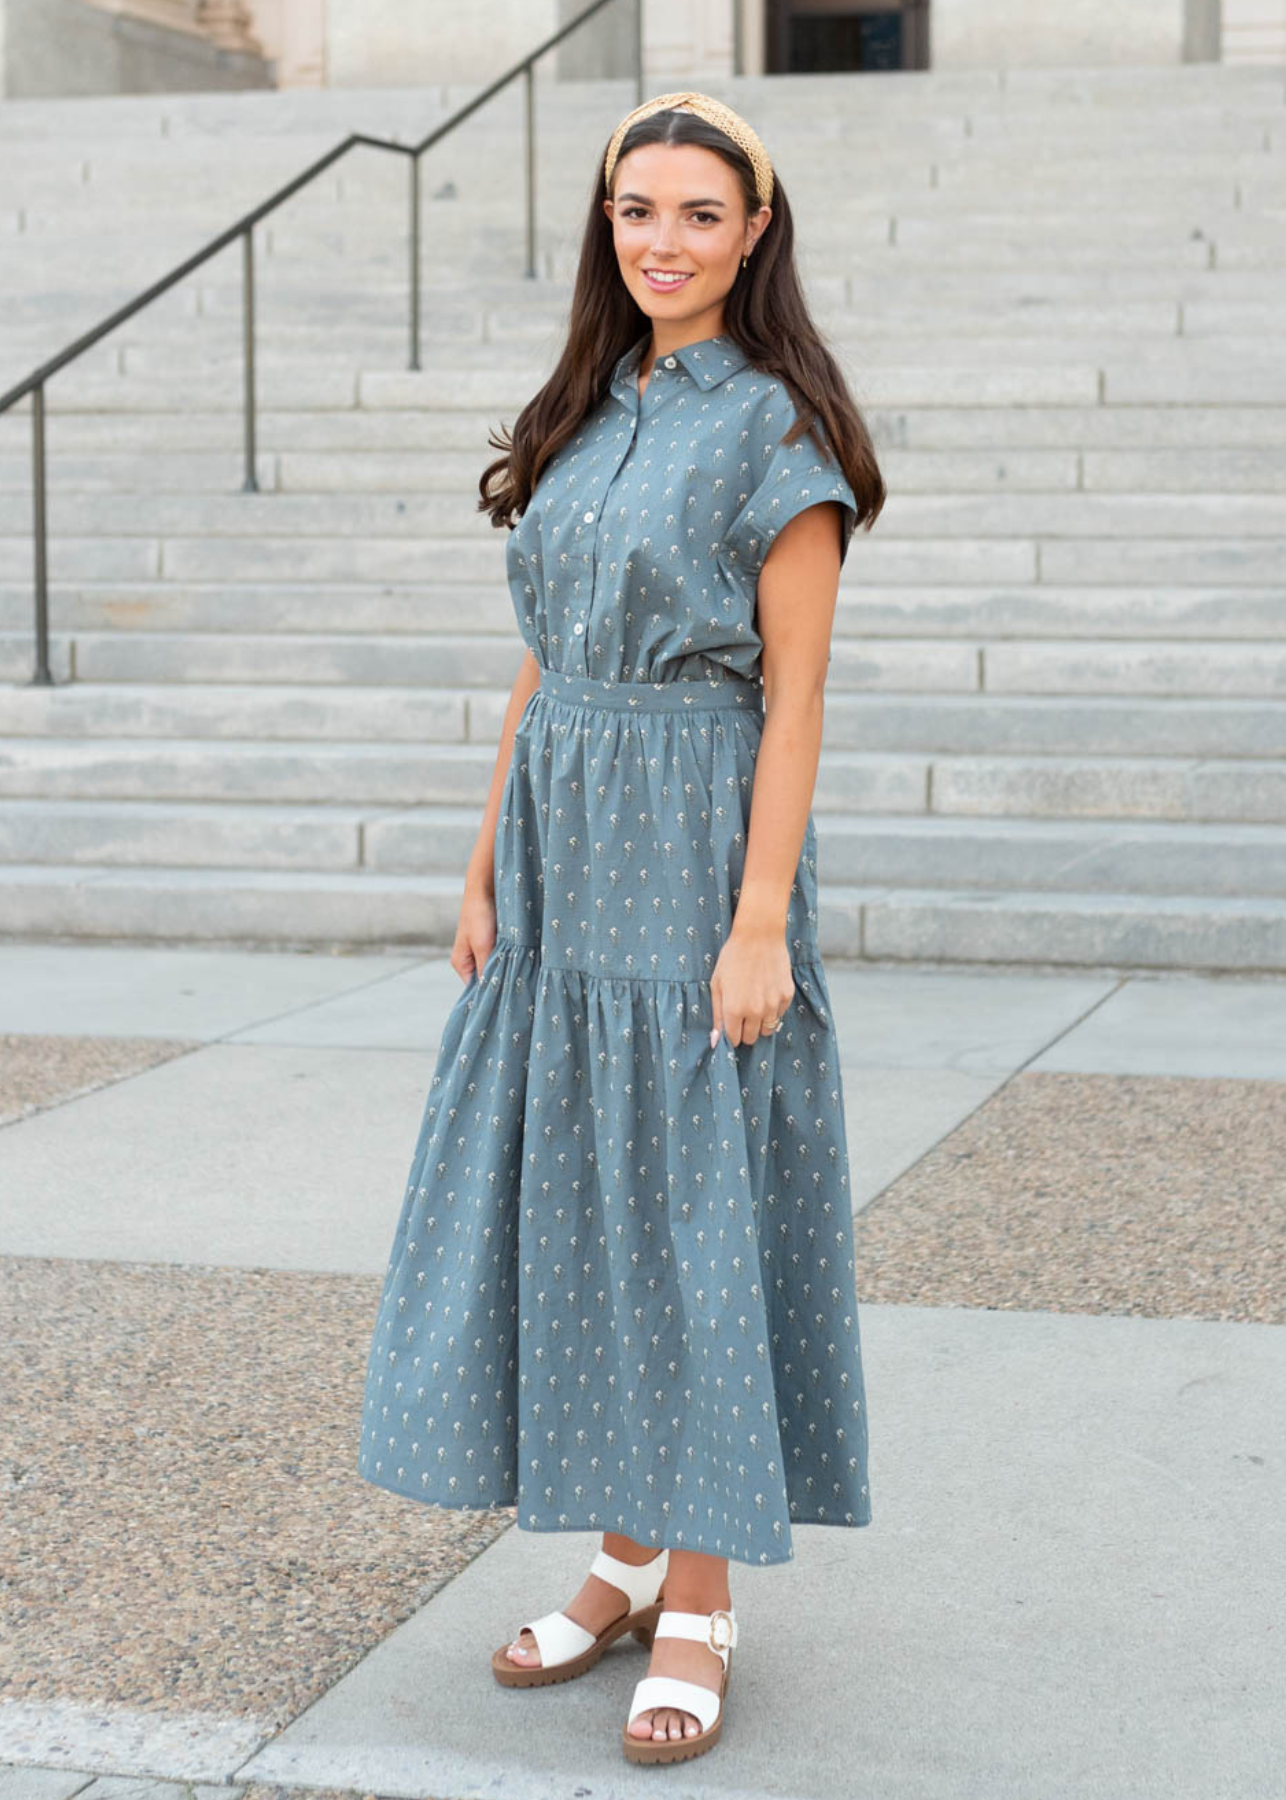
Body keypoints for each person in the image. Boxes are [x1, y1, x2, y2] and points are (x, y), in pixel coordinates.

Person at [356, 88, 887, 1767]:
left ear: (754, 233)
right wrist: (478, 862)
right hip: (560, 844)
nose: (661, 240)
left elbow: (794, 705)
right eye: (636, 210)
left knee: (687, 1214)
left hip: (688, 836)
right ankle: (620, 1553)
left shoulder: (778, 433)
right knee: (576, 1200)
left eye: (698, 214)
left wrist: (754, 925)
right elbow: (540, 651)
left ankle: (704, 1594)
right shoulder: (585, 408)